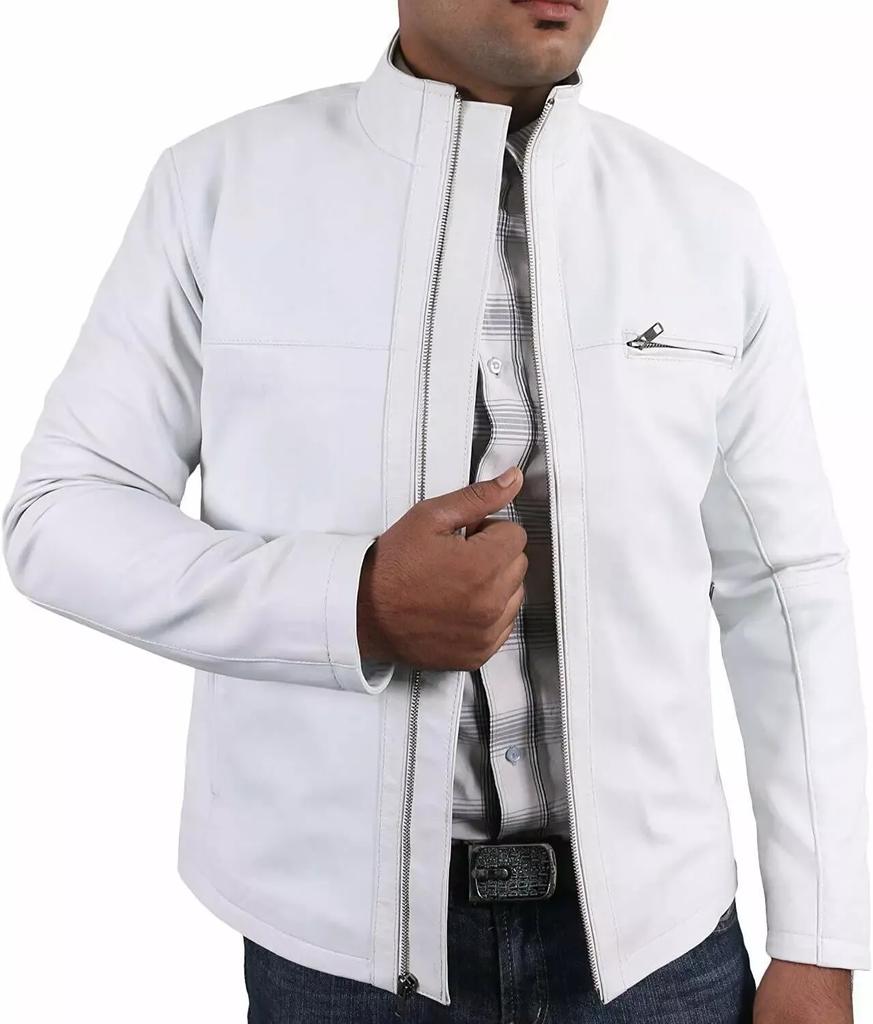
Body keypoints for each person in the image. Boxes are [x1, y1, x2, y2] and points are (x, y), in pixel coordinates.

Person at [3, 2, 868, 1021]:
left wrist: (820, 941)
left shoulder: (705, 222)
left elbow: (785, 583)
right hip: (338, 955)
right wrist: (355, 603)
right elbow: (61, 514)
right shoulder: (221, 189)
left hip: (659, 953)